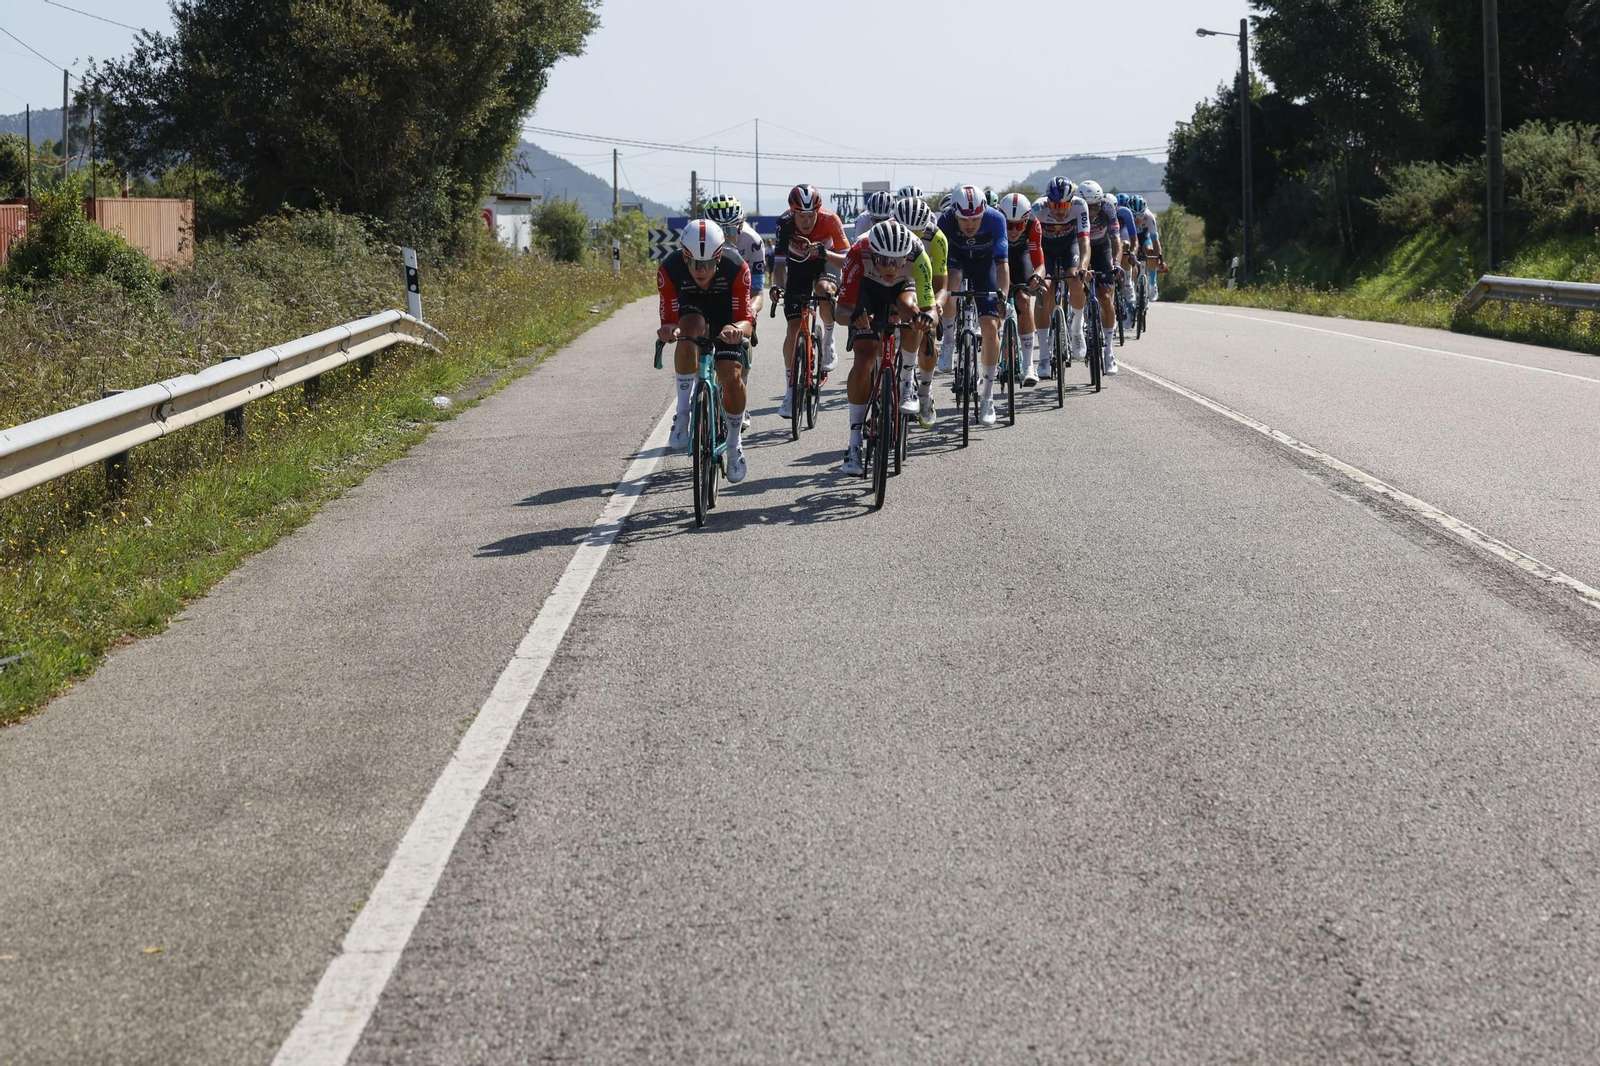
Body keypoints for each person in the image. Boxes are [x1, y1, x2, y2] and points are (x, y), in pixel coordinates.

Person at [834, 219, 936, 474]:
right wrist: (855, 317)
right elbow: (841, 310)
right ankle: (855, 441)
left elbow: (929, 307)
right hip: (867, 292)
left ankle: (905, 382)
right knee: (865, 354)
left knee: (912, 315)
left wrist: (926, 319)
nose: (891, 267)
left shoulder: (917, 254)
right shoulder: (858, 253)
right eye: (885, 261)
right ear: (874, 254)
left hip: (903, 291)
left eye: (897, 261)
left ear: (906, 256)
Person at [656, 219, 754, 482]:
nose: (701, 270)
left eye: (709, 263)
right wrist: (668, 330)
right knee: (688, 330)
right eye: (695, 263)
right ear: (684, 257)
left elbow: (746, 320)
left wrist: (737, 329)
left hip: (726, 314)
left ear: (719, 257)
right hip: (693, 309)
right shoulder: (670, 270)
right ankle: (684, 414)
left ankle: (734, 445)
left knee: (731, 375)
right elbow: (669, 318)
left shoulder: (736, 268)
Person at [773, 184, 851, 417]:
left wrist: (826, 253)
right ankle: (789, 394)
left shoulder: (831, 219)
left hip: (825, 260)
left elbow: (847, 259)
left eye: (810, 216)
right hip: (798, 266)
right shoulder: (784, 223)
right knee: (793, 330)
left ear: (818, 211)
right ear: (792, 213)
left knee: (823, 290)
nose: (806, 222)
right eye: (801, 216)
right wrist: (778, 286)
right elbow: (778, 264)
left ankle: (828, 341)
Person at [937, 185, 1011, 426]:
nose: (970, 225)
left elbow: (1002, 266)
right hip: (956, 260)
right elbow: (939, 267)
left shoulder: (996, 219)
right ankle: (949, 340)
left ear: (984, 213)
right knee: (952, 284)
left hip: (984, 264)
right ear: (954, 214)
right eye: (964, 220)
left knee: (990, 327)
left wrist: (1002, 297)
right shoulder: (945, 221)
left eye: (976, 219)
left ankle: (988, 396)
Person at [705, 193, 764, 428]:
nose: (725, 236)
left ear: (741, 225)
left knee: (744, 335)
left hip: (742, 294)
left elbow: (758, 291)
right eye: (719, 229)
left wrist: (751, 311)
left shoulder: (753, 241)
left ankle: (741, 393)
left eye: (730, 229)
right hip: (711, 292)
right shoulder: (700, 237)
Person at [892, 195, 948, 426]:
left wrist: (936, 306)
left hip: (921, 284)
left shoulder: (937, 238)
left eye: (918, 233)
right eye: (907, 230)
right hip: (893, 281)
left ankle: (925, 392)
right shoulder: (886, 232)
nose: (912, 238)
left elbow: (942, 285)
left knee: (927, 340)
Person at [1032, 177, 1091, 375]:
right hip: (1045, 250)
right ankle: (1043, 358)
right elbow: (1030, 244)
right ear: (1048, 201)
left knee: (1075, 279)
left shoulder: (1080, 206)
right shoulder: (1037, 209)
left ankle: (1076, 330)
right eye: (1055, 205)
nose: (1059, 210)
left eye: (1064, 205)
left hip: (1069, 246)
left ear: (1071, 201)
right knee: (1044, 290)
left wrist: (1083, 266)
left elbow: (1084, 242)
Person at [997, 192, 1046, 384]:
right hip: (998, 261)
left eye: (1019, 225)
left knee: (1024, 301)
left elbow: (1039, 263)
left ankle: (1028, 366)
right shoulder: (993, 223)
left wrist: (1037, 276)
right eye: (1008, 224)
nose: (1014, 230)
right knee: (992, 308)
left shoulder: (1034, 224)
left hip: (1020, 257)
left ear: (1026, 221)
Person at [1079, 180, 1122, 376]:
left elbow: (1116, 239)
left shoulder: (1108, 207)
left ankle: (1109, 353)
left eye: (1095, 205)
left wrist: (1117, 262)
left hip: (1102, 247)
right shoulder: (1075, 208)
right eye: (1089, 207)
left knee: (1105, 296)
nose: (1093, 211)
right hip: (1080, 247)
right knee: (1077, 285)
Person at [1130, 195, 1164, 301]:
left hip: (1144, 236)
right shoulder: (1126, 216)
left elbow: (1155, 240)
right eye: (1134, 215)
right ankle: (1130, 284)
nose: (1137, 219)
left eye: (1140, 215)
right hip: (1131, 237)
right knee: (1130, 256)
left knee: (1150, 252)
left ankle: (1152, 283)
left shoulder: (1149, 216)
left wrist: (1158, 258)